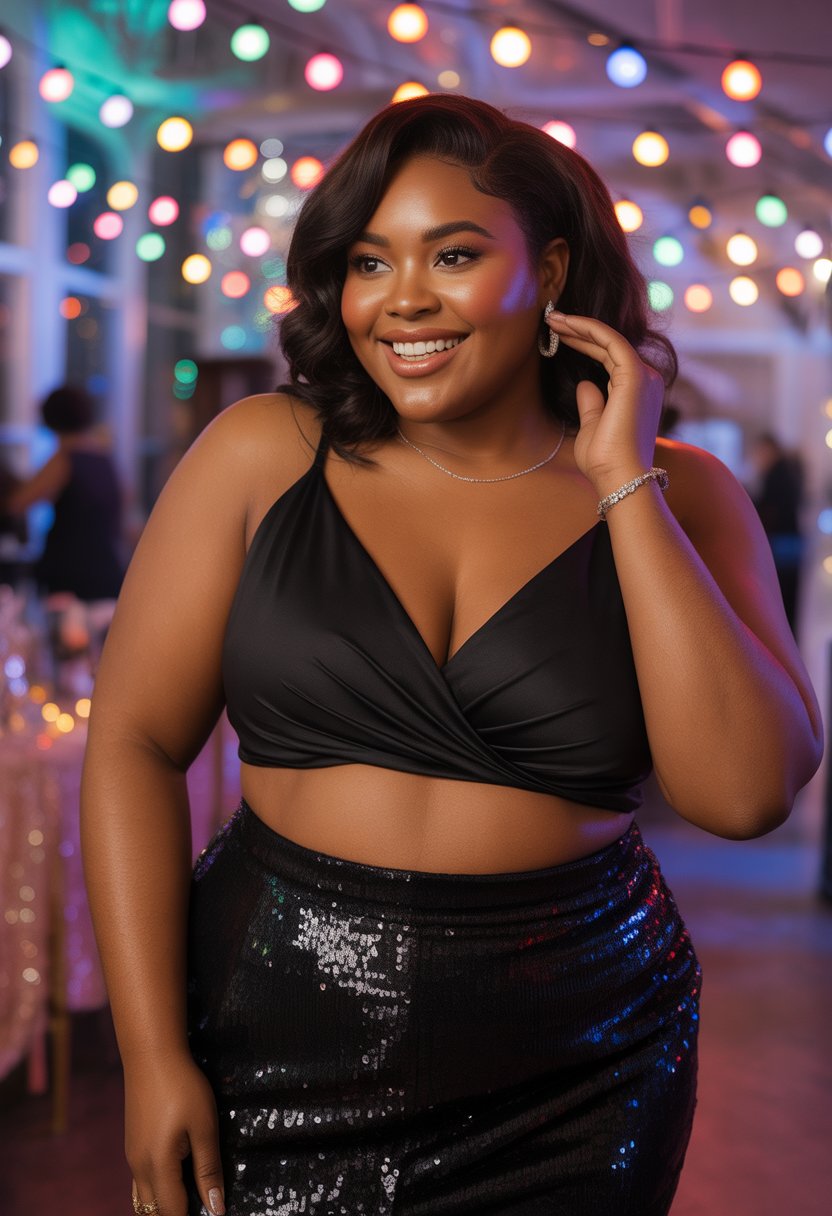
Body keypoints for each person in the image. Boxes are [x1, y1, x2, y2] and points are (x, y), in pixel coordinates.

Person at [81, 95, 822, 1216]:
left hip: (581, 1054)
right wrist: (151, 1054)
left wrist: (622, 478)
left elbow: (743, 793)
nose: (404, 299)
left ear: (553, 271)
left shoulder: (684, 493)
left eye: (456, 253)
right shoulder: (260, 455)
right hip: (269, 1015)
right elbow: (133, 744)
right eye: (369, 261)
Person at [3, 384, 126, 602]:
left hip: (72, 574)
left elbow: (18, 502)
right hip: (107, 569)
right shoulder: (103, 457)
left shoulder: (65, 459)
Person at [749, 432, 805, 634]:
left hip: (783, 543)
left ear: (770, 450)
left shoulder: (776, 474)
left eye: (760, 452)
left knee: (780, 597)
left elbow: (767, 509)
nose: (757, 457)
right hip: (791, 541)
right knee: (788, 598)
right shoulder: (786, 471)